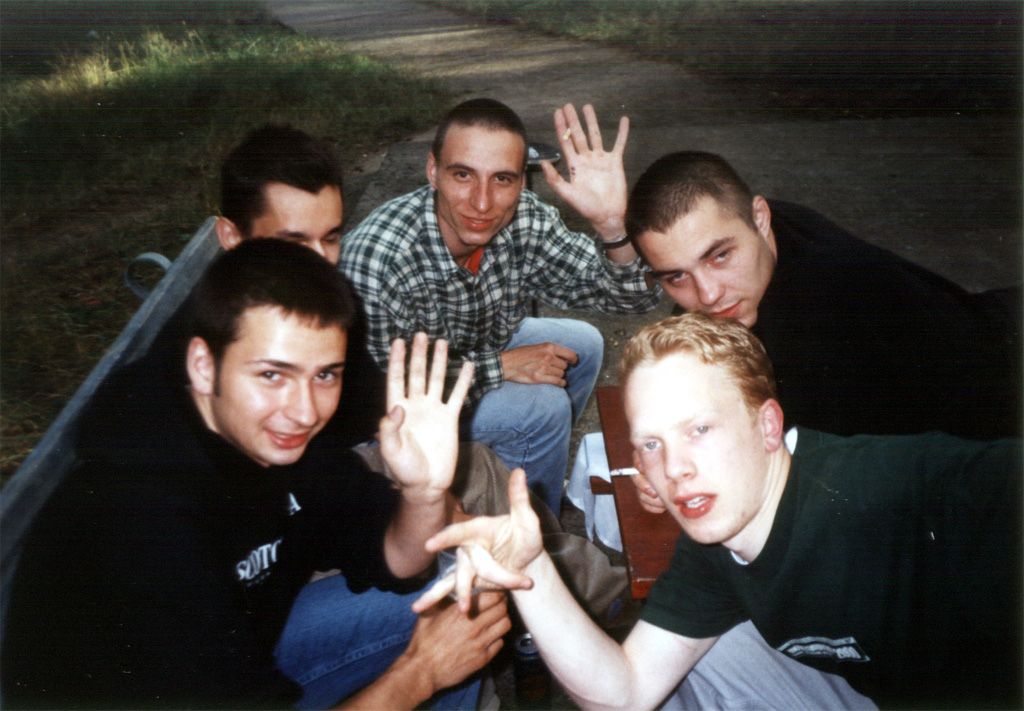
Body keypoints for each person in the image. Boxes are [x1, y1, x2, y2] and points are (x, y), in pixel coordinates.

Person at [413, 313, 1022, 709]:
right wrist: (533, 568)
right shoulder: (714, 545)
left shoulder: (899, 490)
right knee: (696, 660)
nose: (674, 467)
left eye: (699, 429)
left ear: (768, 426)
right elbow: (625, 692)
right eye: (651, 444)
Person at [2, 239, 510, 709]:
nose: (304, 411)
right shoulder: (144, 518)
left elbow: (394, 557)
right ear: (204, 366)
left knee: (454, 606)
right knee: (437, 655)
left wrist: (424, 492)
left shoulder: (282, 444)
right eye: (272, 375)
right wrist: (419, 673)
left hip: (241, 656)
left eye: (324, 375)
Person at [340, 98, 660, 513]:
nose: (482, 203)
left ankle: (522, 473)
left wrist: (612, 227)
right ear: (433, 170)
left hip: (463, 361)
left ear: (522, 183)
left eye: (502, 179)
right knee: (542, 409)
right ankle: (533, 527)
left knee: (583, 344)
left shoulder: (525, 219)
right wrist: (500, 367)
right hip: (385, 426)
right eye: (463, 175)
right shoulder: (379, 259)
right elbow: (377, 399)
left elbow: (631, 296)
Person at [625, 150, 1021, 441]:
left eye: (720, 256)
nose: (708, 294)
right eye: (677, 276)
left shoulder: (822, 320)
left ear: (760, 218)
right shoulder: (758, 237)